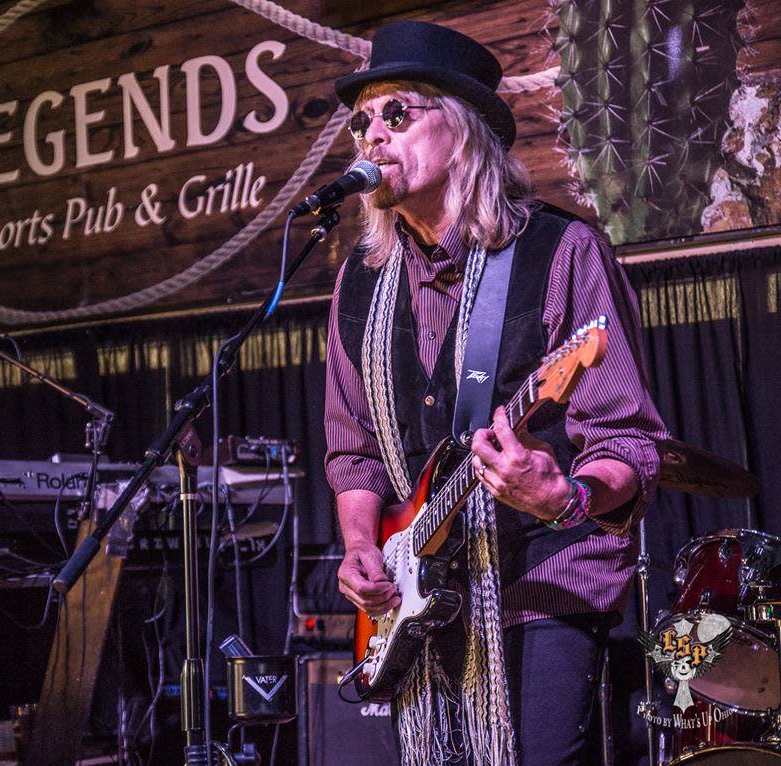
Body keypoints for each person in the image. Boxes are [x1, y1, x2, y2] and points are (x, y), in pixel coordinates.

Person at [324, 21, 668, 766]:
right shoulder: (359, 281)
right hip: (417, 601)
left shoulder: (559, 251)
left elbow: (629, 446)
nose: (371, 136)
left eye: (397, 112)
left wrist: (564, 496)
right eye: (360, 121)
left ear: (469, 131)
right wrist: (361, 546)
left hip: (542, 580)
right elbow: (353, 451)